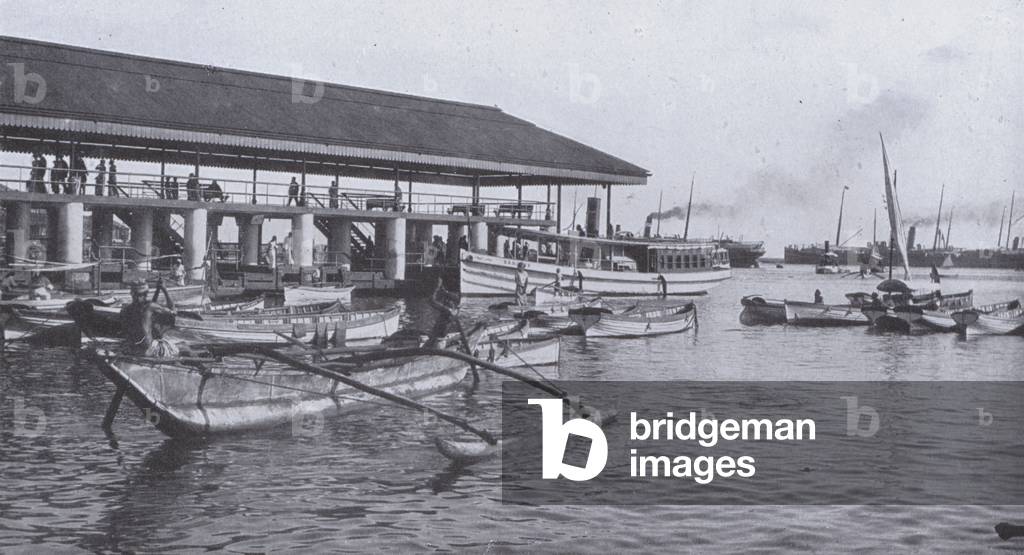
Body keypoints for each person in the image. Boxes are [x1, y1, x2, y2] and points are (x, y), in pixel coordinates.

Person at [120, 279, 178, 358]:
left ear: (132, 294)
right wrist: (164, 289)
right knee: (182, 348)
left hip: (132, 347)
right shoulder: (150, 306)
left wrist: (157, 291)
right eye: (141, 295)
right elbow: (173, 311)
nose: (140, 298)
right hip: (148, 350)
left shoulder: (126, 309)